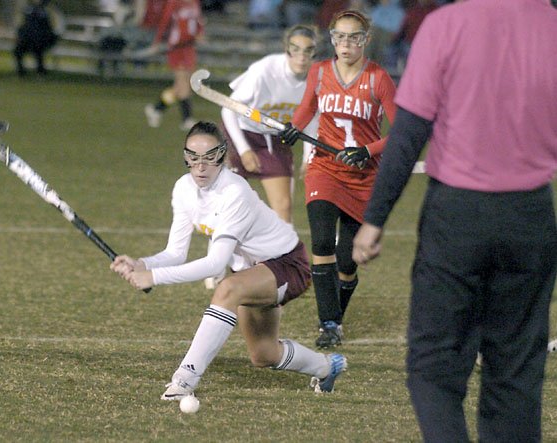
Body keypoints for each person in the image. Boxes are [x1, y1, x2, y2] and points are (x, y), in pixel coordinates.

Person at [352, 1, 557, 441]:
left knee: (434, 366)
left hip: (457, 216)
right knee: (516, 372)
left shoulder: (445, 25)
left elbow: (409, 133)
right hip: (530, 215)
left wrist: (374, 219)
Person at [110, 121, 348, 400]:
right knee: (264, 354)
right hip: (250, 270)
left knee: (227, 289)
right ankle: (326, 367)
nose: (200, 166)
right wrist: (144, 264)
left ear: (222, 156)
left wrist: (154, 278)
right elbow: (175, 252)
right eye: (192, 157)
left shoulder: (234, 191)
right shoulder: (183, 189)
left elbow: (214, 264)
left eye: (209, 157)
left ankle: (184, 379)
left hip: (287, 264)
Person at [279, 9, 397, 348]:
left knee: (347, 261)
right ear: (332, 39)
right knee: (320, 243)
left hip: (362, 176)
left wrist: (368, 150)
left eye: (353, 37)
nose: (346, 44)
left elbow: (401, 130)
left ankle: (336, 316)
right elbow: (307, 108)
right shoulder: (318, 72)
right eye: (340, 37)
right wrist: (294, 128)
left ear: (365, 40)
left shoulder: (378, 78)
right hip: (325, 168)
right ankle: (327, 323)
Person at [222, 24, 319, 224]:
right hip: (241, 133)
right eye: (295, 49)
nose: (301, 56)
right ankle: (228, 254)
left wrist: (309, 158)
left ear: (314, 52)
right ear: (286, 50)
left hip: (276, 139)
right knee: (232, 206)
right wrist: (244, 151)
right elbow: (228, 109)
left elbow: (311, 120)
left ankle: (280, 255)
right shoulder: (264, 70)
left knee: (283, 208)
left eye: (308, 50)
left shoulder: (316, 78)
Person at [143, 0, 204, 131]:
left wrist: (200, 32)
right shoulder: (174, 2)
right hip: (177, 47)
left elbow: (198, 20)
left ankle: (156, 109)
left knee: (181, 86)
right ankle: (186, 119)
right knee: (183, 85)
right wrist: (157, 41)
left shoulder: (194, 2)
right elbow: (165, 21)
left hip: (189, 47)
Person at [13, 0, 59, 77]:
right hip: (29, 39)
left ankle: (41, 71)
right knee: (18, 50)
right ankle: (21, 72)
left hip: (45, 39)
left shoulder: (50, 10)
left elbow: (55, 28)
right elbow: (22, 26)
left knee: (37, 48)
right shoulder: (29, 10)